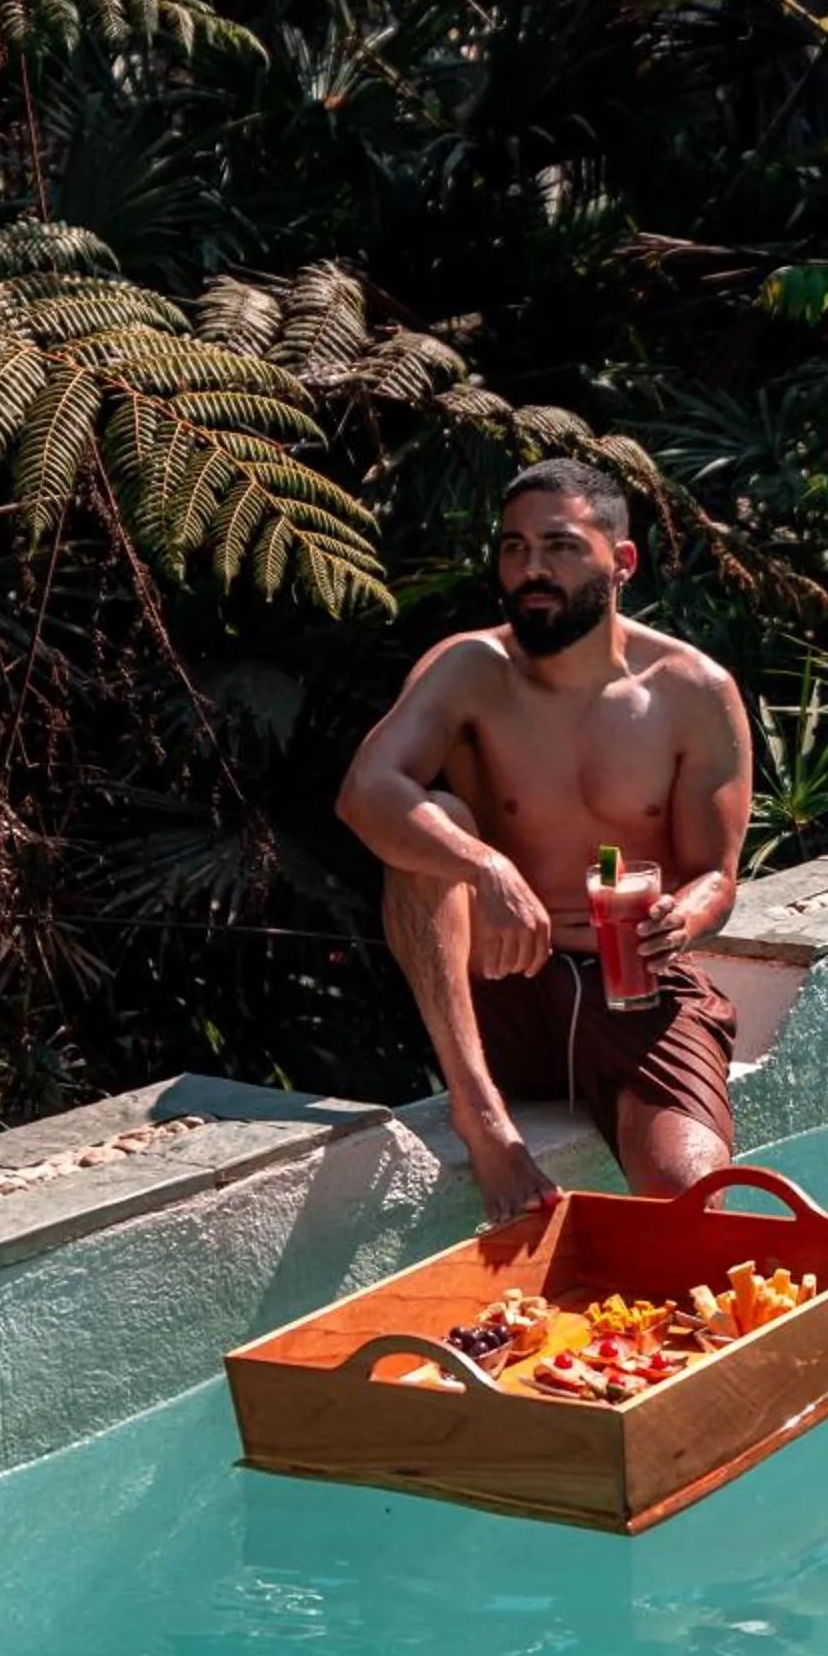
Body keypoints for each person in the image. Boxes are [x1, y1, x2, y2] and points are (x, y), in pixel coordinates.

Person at [335, 456, 754, 1223]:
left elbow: (715, 877)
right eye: (513, 547)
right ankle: (481, 1115)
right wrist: (487, 866)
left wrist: (679, 921)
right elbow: (367, 794)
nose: (531, 569)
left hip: (632, 990)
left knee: (696, 1208)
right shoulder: (469, 669)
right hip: (498, 990)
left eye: (559, 546)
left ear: (620, 560)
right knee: (433, 826)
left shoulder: (693, 691)